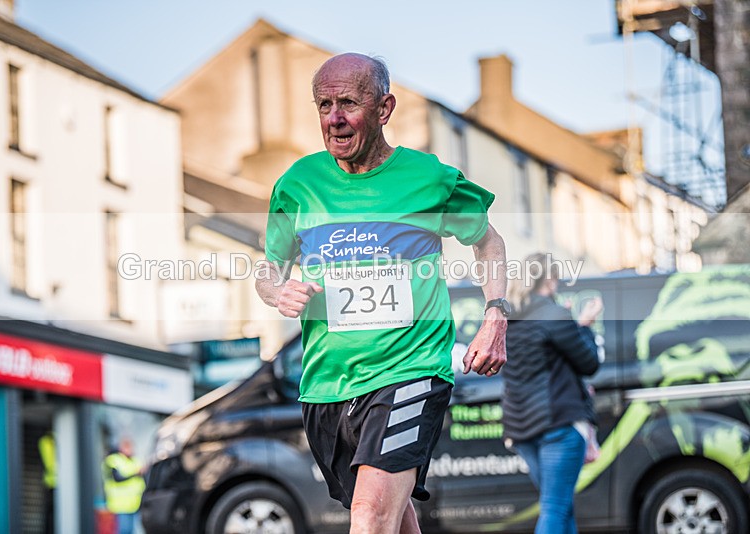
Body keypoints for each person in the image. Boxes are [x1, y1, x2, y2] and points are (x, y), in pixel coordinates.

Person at [255, 53, 508, 534]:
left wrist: (496, 312)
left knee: (370, 514)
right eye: (324, 104)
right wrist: (278, 292)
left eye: (348, 102)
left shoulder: (428, 179)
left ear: (384, 108)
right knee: (392, 517)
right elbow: (268, 268)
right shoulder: (298, 184)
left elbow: (488, 241)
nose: (334, 118)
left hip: (409, 371)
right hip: (327, 383)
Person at [502, 252, 602, 534]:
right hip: (558, 424)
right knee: (556, 508)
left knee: (559, 505)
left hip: (521, 429)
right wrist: (584, 327)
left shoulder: (507, 317)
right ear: (549, 278)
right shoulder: (553, 314)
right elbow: (589, 362)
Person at [102, 437, 145, 534]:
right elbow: (117, 478)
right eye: (127, 447)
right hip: (120, 505)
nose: (129, 450)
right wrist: (136, 473)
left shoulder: (135, 460)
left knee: (132, 531)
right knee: (123, 531)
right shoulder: (113, 460)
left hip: (135, 504)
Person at [38, 430, 56, 534]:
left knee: (50, 512)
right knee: (50, 512)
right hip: (52, 482)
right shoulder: (47, 442)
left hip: (49, 481)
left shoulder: (44, 442)